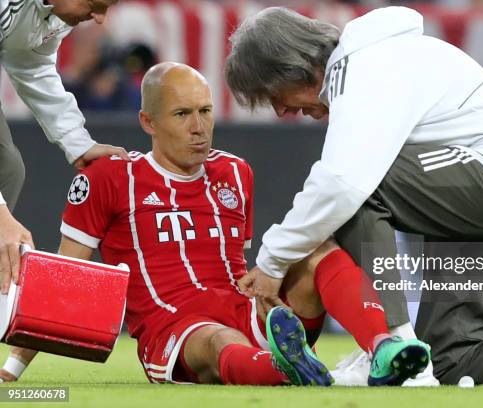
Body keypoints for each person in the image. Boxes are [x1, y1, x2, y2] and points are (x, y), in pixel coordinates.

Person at [224, 6, 483, 385]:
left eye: (272, 94)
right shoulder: (370, 63)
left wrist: (273, 261)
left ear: (293, 68)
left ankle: (391, 342)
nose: (280, 110)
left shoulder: (361, 66)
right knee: (451, 358)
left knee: (360, 186)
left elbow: (344, 183)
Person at [1, 62, 431, 385]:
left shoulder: (235, 172)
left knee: (316, 249)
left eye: (205, 111)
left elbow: (234, 264)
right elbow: (64, 284)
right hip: (175, 328)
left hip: (247, 309)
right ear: (148, 122)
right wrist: (12, 371)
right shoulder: (110, 178)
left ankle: (384, 346)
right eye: (182, 114)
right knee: (219, 340)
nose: (200, 128)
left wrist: (265, 290)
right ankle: (290, 371)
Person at [0, 0, 129, 299]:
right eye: (96, 5)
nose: (98, 19)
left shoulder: (54, 14)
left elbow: (31, 64)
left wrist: (78, 143)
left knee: (8, 170)